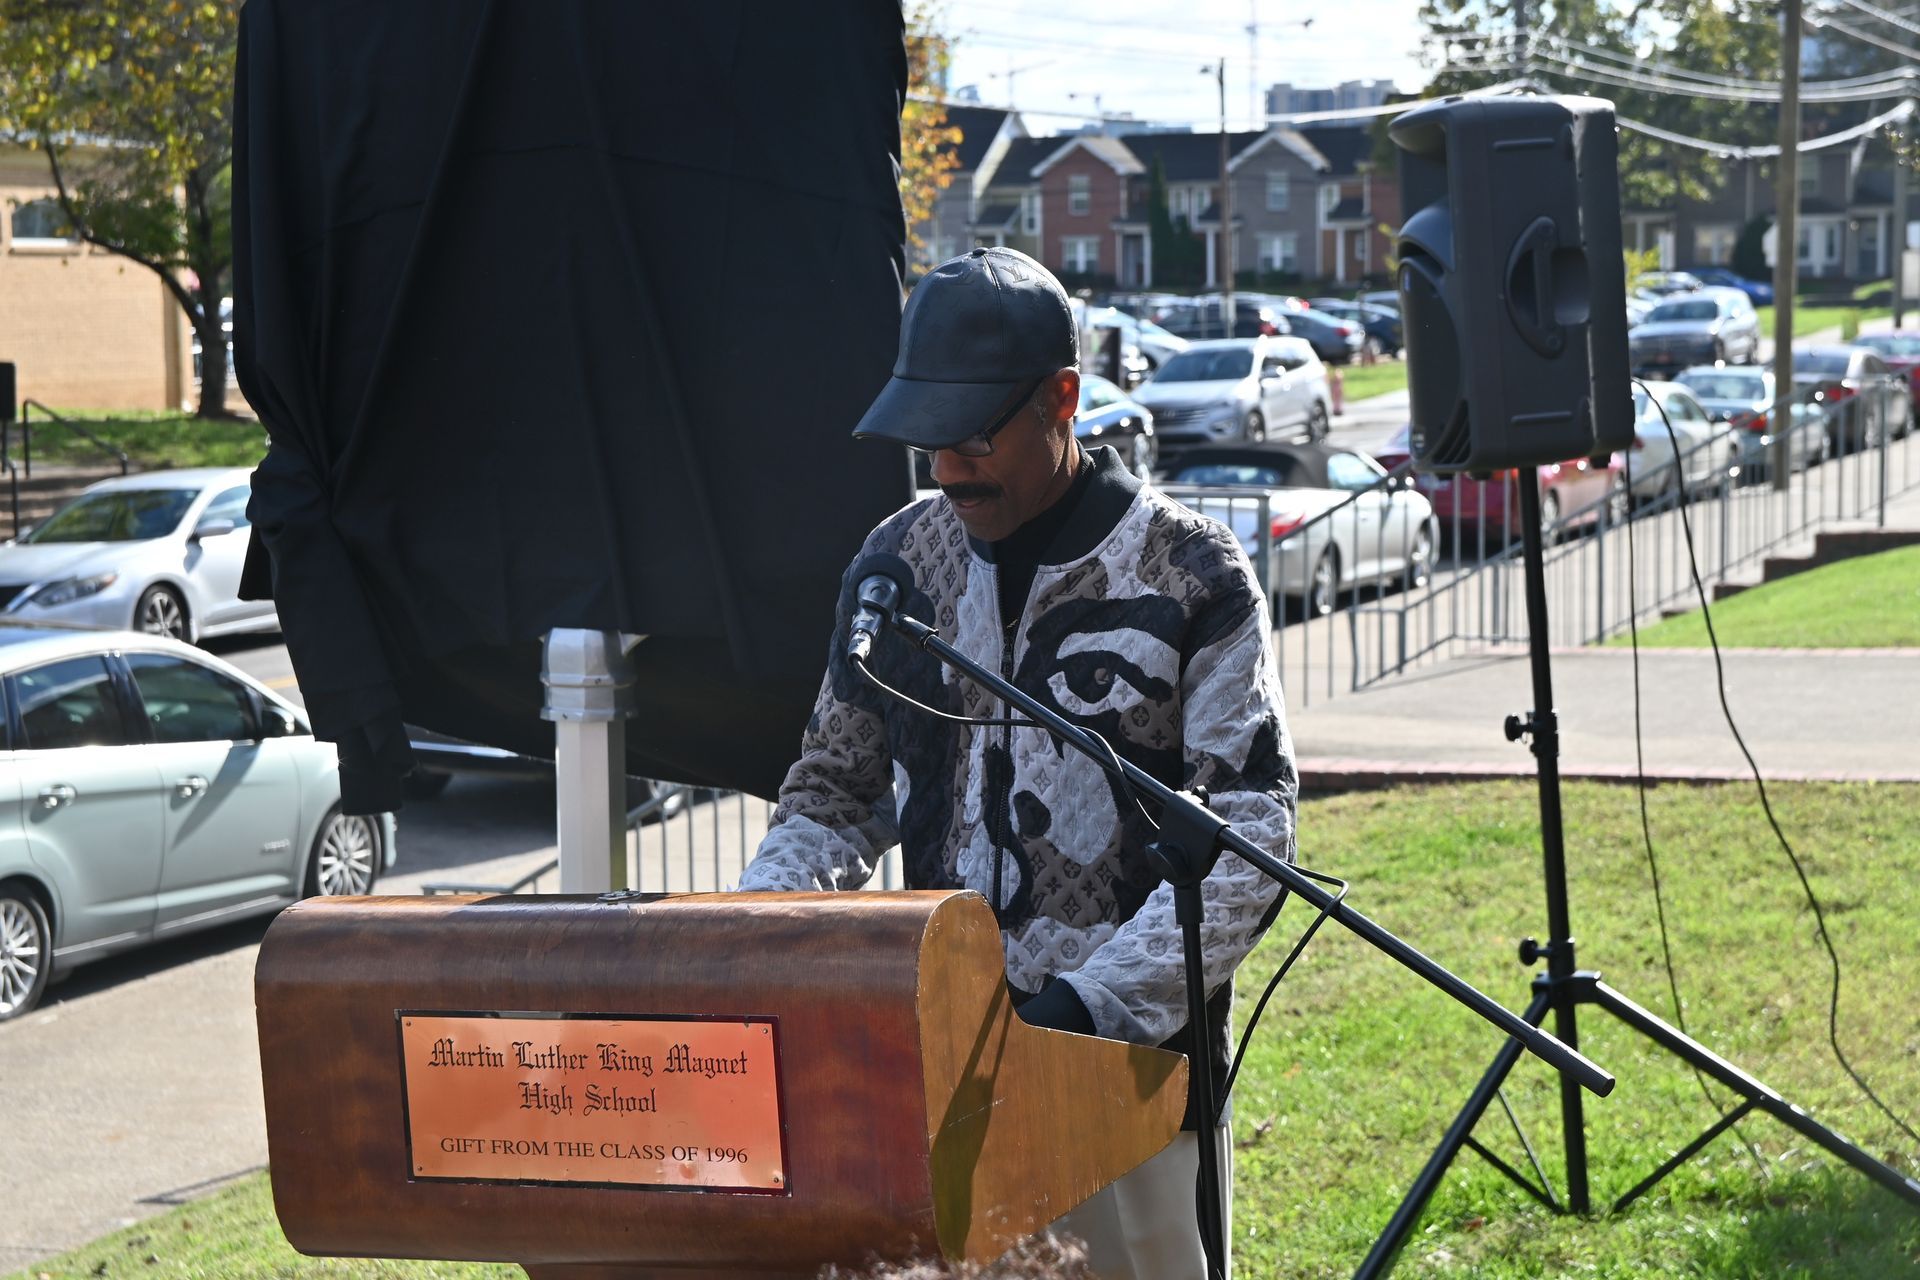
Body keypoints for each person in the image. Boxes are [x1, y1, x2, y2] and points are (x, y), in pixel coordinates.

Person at [736, 247, 1298, 1280]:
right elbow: (834, 792)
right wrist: (756, 941)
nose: (948, 468)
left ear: (1062, 399)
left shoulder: (1194, 570)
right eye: (929, 439)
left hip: (1137, 1086)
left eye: (975, 435)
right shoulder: (894, 565)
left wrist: (1084, 1009)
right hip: (939, 1074)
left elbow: (1250, 833)